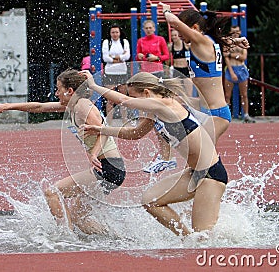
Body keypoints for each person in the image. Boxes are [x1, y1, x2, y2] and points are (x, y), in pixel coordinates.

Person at [81, 70, 228, 237]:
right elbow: (135, 133)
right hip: (193, 173)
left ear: (146, 92)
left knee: (204, 239)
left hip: (211, 175)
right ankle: (186, 238)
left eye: (136, 97)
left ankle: (197, 242)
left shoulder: (165, 104)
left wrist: (93, 85)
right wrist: (101, 129)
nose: (136, 103)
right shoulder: (155, 112)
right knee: (150, 201)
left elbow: (124, 101)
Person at [0, 68, 126, 235]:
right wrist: (7, 106)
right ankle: (115, 240)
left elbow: (104, 131)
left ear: (70, 91)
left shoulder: (82, 106)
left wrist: (93, 154)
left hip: (109, 168)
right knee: (78, 217)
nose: (56, 93)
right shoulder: (73, 105)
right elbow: (39, 107)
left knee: (52, 191)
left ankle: (66, 237)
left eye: (58, 89)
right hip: (111, 169)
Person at [160, 3, 250, 144]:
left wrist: (166, 9)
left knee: (204, 158)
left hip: (216, 113)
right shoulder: (207, 41)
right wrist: (237, 40)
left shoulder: (201, 41)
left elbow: (172, 21)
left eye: (182, 31)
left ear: (194, 28)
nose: (179, 35)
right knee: (166, 105)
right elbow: (222, 41)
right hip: (204, 109)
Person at [136, 19, 175, 173]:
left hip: (157, 72)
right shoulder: (141, 41)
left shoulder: (160, 40)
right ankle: (164, 157)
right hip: (145, 73)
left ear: (154, 28)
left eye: (151, 27)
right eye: (146, 28)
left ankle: (166, 157)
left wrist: (156, 57)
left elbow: (166, 56)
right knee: (147, 102)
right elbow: (137, 56)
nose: (149, 30)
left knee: (157, 104)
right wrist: (140, 56)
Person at [223, 25, 255, 123]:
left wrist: (232, 55)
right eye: (233, 32)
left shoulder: (242, 41)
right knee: (227, 95)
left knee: (244, 94)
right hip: (230, 68)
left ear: (240, 31)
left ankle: (246, 115)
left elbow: (243, 57)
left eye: (237, 31)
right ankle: (226, 116)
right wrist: (232, 72)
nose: (235, 34)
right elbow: (225, 57)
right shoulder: (228, 42)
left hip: (241, 69)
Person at [102, 24, 131, 119]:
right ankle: (108, 124)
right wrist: (119, 58)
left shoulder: (124, 42)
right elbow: (105, 58)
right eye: (113, 32)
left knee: (123, 99)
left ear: (120, 33)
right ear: (110, 33)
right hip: (110, 72)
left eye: (116, 32)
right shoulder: (106, 42)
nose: (115, 34)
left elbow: (127, 56)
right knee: (110, 100)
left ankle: (124, 122)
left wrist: (113, 58)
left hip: (122, 72)